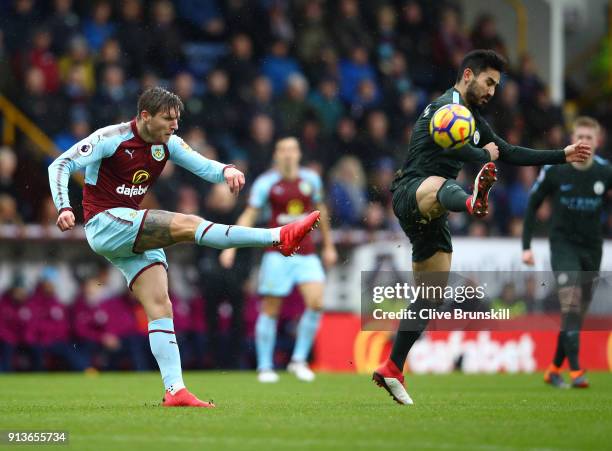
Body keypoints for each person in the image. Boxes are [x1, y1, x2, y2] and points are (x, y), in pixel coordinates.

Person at [48, 87, 320, 407]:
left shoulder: (168, 144)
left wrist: (226, 171)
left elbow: (203, 165)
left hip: (128, 231)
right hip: (105, 223)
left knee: (161, 305)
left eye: (177, 119)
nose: (174, 126)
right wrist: (65, 207)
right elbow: (60, 165)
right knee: (189, 224)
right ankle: (278, 236)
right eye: (168, 119)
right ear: (145, 116)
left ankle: (175, 390)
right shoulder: (111, 137)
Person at [372, 49, 591, 405]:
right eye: (489, 82)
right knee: (442, 184)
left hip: (435, 210)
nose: (493, 91)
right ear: (469, 75)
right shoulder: (444, 109)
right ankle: (473, 200)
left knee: (430, 295)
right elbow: (466, 150)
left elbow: (507, 151)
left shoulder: (470, 117)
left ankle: (393, 367)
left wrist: (560, 155)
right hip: (413, 192)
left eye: (497, 85)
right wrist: (482, 156)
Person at [219, 137, 337, 383]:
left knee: (316, 303)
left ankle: (298, 361)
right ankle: (264, 366)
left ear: (299, 154)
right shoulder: (266, 183)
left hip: (306, 253)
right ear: (276, 155)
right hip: (277, 254)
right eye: (283, 150)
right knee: (272, 309)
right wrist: (230, 245)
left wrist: (328, 245)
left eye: (292, 150)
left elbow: (320, 211)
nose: (288, 154)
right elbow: (250, 214)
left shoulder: (311, 180)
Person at [522, 116, 611, 389]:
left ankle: (552, 370)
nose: (584, 141)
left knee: (576, 314)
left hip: (592, 247)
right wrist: (525, 246)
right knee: (570, 303)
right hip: (562, 245)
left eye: (589, 137)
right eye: (580, 136)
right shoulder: (555, 169)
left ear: (598, 142)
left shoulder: (605, 172)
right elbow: (533, 203)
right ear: (573, 140)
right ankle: (576, 370)